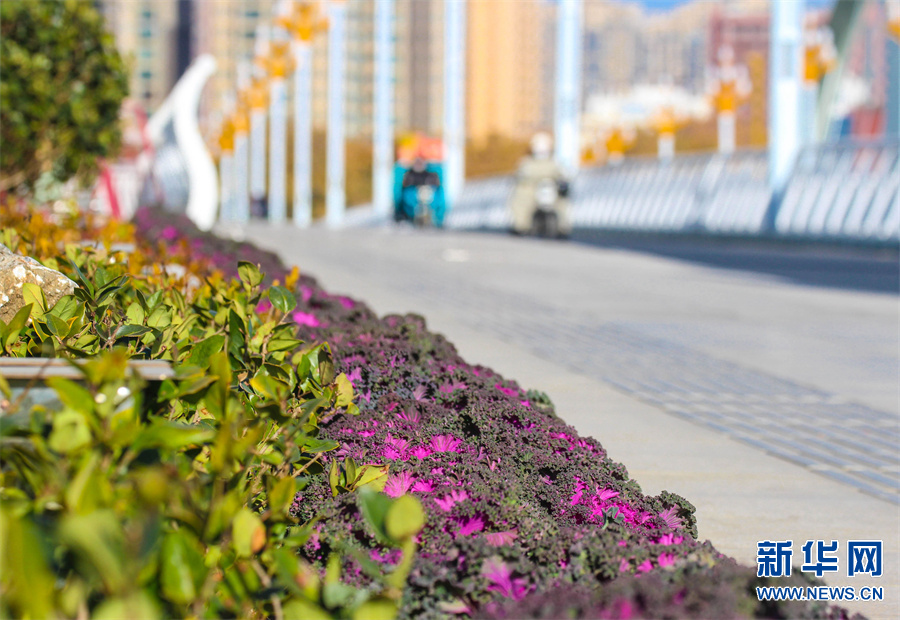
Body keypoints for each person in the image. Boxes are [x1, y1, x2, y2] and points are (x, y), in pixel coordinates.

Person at [508, 133, 571, 237]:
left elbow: (563, 174)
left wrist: (563, 183)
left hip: (550, 189)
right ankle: (521, 226)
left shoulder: (554, 162)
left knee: (562, 202)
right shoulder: (527, 162)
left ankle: (563, 227)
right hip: (532, 190)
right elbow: (520, 175)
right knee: (520, 199)